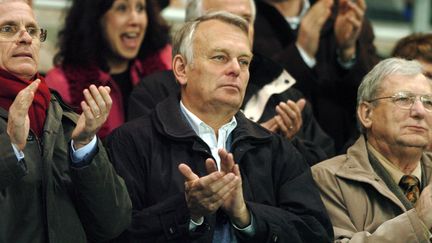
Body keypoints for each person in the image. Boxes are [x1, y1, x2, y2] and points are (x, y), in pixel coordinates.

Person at [107, 11, 333, 242]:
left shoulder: (277, 148)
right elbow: (114, 234)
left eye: (243, 61)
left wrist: (247, 217)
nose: (236, 69)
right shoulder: (130, 142)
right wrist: (188, 212)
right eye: (220, 57)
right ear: (181, 69)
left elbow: (317, 233)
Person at [128, 0, 335, 165]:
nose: (238, 29)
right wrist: (249, 144)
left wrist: (286, 145)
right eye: (224, 19)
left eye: (246, 20)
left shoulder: (285, 92)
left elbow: (323, 176)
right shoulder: (153, 92)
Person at [0, 0, 132, 242]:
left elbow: (114, 221)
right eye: (7, 29)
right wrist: (10, 150)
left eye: (32, 30)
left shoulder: (68, 120)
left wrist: (85, 148)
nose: (25, 38)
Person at [312, 58, 432, 242]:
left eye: (428, 102)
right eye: (403, 99)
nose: (419, 111)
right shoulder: (327, 179)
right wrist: (418, 222)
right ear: (366, 114)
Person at [253, 0, 380, 152]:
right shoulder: (244, 14)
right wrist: (301, 52)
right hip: (283, 158)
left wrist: (348, 54)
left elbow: (377, 93)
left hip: (349, 155)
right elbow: (251, 92)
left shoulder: (344, 12)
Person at [45, 0, 171, 139]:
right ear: (95, 17)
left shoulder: (166, 63)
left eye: (140, 8)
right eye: (122, 8)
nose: (135, 20)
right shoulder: (60, 84)